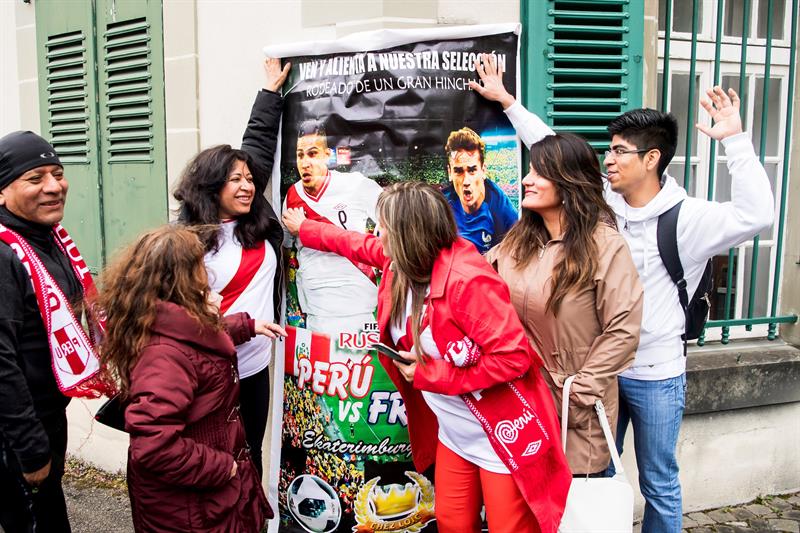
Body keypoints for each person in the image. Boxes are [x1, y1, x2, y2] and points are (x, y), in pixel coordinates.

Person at [473, 53, 775, 532]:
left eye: (618, 151)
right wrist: (508, 101)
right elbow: (552, 151)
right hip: (592, 375)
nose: (607, 159)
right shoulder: (603, 202)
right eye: (608, 151)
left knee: (657, 482)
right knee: (593, 473)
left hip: (653, 371)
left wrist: (736, 141)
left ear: (651, 159)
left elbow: (758, 216)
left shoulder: (691, 219)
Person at [283, 182, 571, 533]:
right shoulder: (399, 264)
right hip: (456, 434)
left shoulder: (468, 280)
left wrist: (432, 375)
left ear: (408, 234)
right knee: (451, 522)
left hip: (500, 437)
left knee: (508, 527)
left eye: (383, 226)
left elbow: (513, 358)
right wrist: (306, 229)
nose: (378, 233)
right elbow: (356, 244)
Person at [97, 224, 286, 533]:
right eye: (200, 265)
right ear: (182, 278)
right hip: (191, 510)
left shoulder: (165, 321)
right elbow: (154, 447)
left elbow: (195, 339)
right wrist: (223, 467)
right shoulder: (163, 355)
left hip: (205, 502)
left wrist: (245, 326)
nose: (207, 274)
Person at [486, 132, 643, 476]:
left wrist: (575, 395)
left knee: (575, 514)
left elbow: (624, 330)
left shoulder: (604, 245)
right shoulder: (519, 240)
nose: (526, 180)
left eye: (539, 172)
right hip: (521, 408)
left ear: (569, 180)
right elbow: (473, 281)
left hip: (575, 416)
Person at [173, 58, 288, 477]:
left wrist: (270, 94)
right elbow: (179, 317)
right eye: (234, 180)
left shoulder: (255, 220)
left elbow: (256, 147)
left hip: (256, 365)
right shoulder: (184, 241)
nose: (246, 186)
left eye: (249, 179)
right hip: (212, 369)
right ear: (210, 187)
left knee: (251, 453)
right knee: (220, 459)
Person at [0, 131, 113, 532]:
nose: (54, 186)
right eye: (35, 178)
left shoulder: (49, 239)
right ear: (2, 192)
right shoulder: (5, 252)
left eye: (58, 173)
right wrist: (31, 450)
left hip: (48, 413)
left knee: (49, 508)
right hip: (17, 429)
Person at [282, 120, 383, 335]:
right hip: (317, 310)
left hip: (357, 305)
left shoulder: (355, 184)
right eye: (300, 155)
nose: (305, 162)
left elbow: (393, 218)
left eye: (312, 154)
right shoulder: (292, 195)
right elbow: (287, 249)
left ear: (327, 155)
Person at [442, 126, 517, 253]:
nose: (466, 181)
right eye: (458, 171)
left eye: (472, 170)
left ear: (483, 170)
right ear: (450, 173)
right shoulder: (441, 206)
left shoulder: (500, 207)